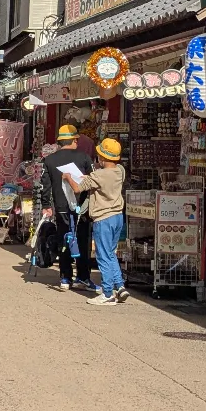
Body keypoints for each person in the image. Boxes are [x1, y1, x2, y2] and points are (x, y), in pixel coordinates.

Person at [65, 137, 128, 305]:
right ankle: (120, 286)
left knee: (102, 256)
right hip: (117, 217)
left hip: (103, 218)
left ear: (102, 157)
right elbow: (99, 178)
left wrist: (69, 177)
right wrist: (89, 177)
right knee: (111, 253)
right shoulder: (120, 170)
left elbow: (78, 188)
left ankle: (108, 293)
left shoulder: (98, 175)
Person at [39, 124, 95, 291]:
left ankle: (65, 278)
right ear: (75, 140)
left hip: (61, 207)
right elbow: (93, 181)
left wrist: (46, 205)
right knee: (83, 241)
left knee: (64, 239)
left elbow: (45, 185)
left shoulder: (49, 160)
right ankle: (83, 277)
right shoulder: (84, 158)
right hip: (82, 208)